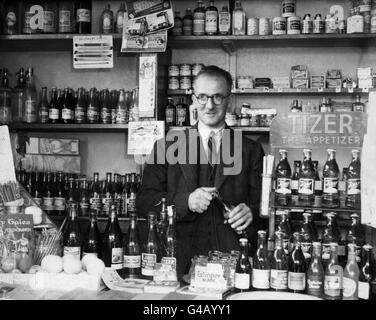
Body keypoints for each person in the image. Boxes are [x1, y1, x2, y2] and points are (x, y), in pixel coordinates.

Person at [136, 65, 266, 278]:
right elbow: (145, 202)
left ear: (229, 99)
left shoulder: (250, 150)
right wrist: (185, 201)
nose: (210, 105)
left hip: (232, 265)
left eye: (217, 97)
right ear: (193, 99)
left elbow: (266, 209)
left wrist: (251, 213)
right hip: (178, 263)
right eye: (203, 97)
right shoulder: (166, 147)